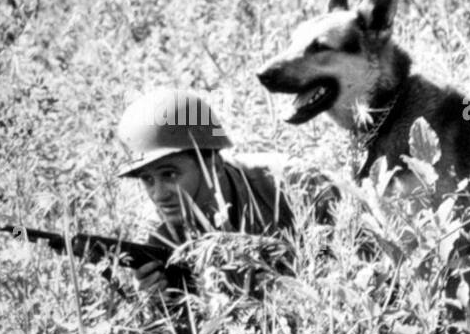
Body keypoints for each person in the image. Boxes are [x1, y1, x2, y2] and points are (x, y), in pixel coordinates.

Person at [115, 87, 330, 310]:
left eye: (170, 174)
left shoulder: (292, 184)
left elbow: (353, 258)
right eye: (147, 180)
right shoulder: (157, 234)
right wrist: (154, 303)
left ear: (215, 165)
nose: (158, 195)